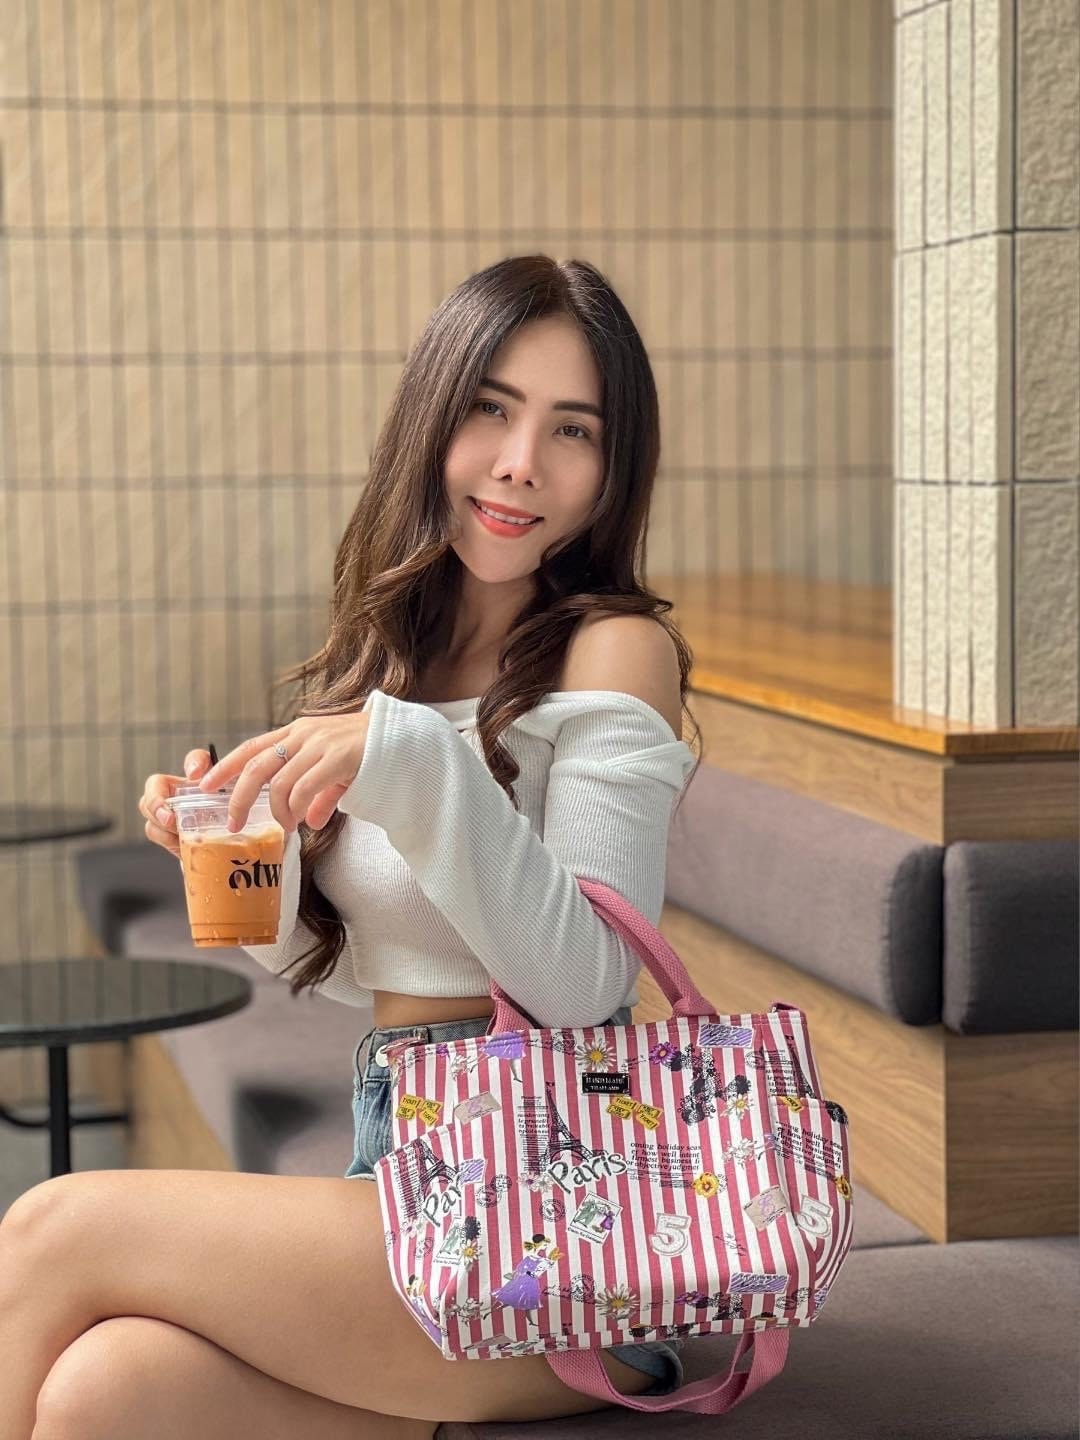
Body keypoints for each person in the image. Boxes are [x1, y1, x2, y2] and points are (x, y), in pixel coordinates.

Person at [0, 255, 703, 1437]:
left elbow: (588, 980)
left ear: (610, 470)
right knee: (102, 1392)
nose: (522, 459)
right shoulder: (396, 660)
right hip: (404, 1169)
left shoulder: (614, 650)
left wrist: (411, 765)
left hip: (563, 1230)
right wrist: (241, 865)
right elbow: (341, 976)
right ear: (433, 417)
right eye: (491, 406)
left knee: (49, 1225)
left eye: (571, 428)